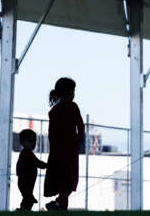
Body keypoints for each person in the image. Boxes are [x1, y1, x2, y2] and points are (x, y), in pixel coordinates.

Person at [44, 77, 85, 211]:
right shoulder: (73, 107)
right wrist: (80, 138)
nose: (74, 94)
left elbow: (51, 133)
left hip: (58, 150)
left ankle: (60, 203)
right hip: (70, 149)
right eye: (73, 91)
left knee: (62, 177)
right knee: (70, 177)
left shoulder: (54, 110)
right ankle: (60, 202)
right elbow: (80, 125)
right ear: (68, 92)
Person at [16, 129, 47, 211]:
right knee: (28, 198)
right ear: (22, 142)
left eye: (34, 141)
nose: (33, 143)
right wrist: (47, 165)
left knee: (28, 198)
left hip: (26, 181)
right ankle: (24, 210)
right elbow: (37, 163)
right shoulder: (27, 153)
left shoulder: (26, 153)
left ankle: (24, 209)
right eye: (30, 141)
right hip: (25, 181)